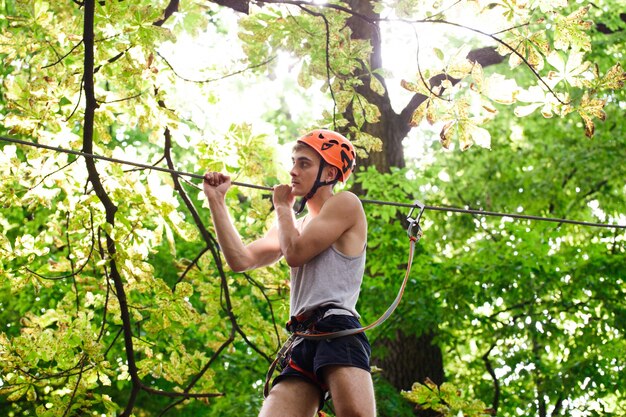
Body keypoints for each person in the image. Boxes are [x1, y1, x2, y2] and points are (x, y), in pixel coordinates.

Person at [203, 129, 375, 417]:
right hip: (301, 339)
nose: (293, 171)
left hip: (337, 328)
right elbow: (240, 259)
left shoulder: (346, 204)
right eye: (293, 162)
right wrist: (216, 200)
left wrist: (283, 207)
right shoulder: (291, 225)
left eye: (304, 164)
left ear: (330, 172)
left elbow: (295, 253)